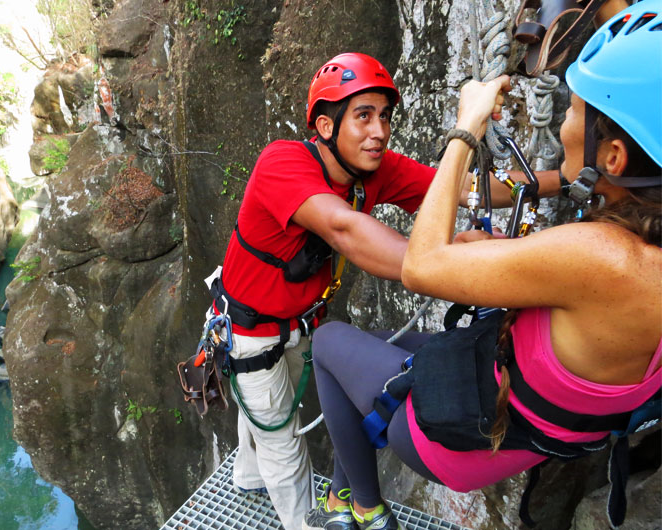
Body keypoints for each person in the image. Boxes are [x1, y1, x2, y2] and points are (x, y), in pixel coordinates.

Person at [303, 1, 661, 529]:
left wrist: (466, 129)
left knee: (329, 343)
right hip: (533, 425)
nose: (563, 120)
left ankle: (366, 510)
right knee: (388, 347)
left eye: (575, 110)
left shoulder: (603, 256)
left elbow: (421, 267)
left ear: (612, 159)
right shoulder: (636, 254)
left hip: (460, 442)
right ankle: (347, 491)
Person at [204, 52, 560, 530]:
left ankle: (248, 478)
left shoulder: (374, 170)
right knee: (283, 438)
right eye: (363, 116)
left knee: (271, 410)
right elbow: (344, 228)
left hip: (296, 320)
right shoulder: (282, 164)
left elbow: (460, 188)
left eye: (385, 117)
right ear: (326, 127)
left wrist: (561, 182)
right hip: (251, 329)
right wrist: (449, 259)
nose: (379, 130)